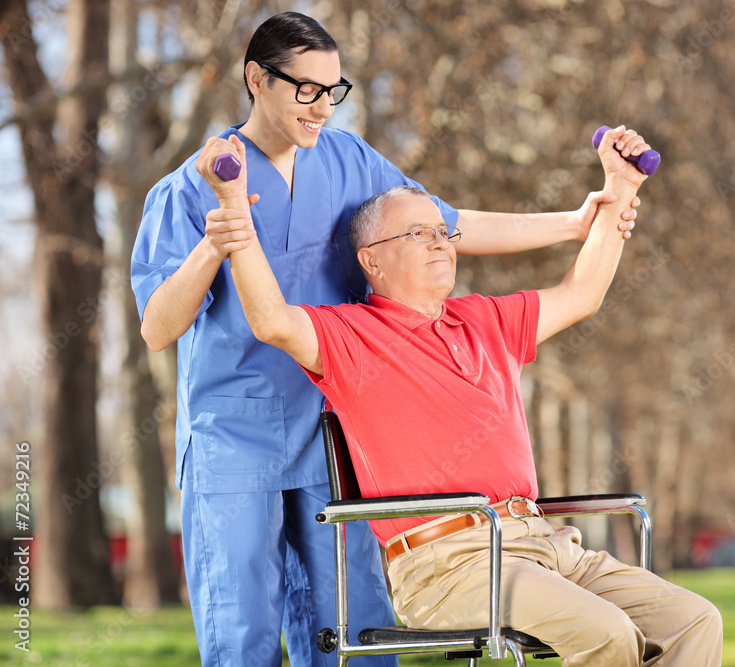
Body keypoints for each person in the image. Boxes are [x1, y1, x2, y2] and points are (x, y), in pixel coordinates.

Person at [131, 11, 640, 667]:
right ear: (257, 79)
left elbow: (448, 225)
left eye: (333, 90)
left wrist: (573, 224)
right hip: (235, 437)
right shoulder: (192, 186)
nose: (321, 107)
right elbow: (156, 326)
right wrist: (215, 242)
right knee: (241, 637)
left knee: (354, 631)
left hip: (335, 434)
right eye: (305, 89)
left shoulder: (347, 160)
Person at [211, 125, 724, 666]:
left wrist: (621, 186)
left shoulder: (484, 318)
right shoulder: (351, 334)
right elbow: (270, 320)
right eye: (417, 233)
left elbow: (581, 294)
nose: (439, 241)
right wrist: (235, 216)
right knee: (608, 633)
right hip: (447, 566)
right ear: (371, 261)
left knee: (694, 621)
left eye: (442, 231)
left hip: (542, 543)